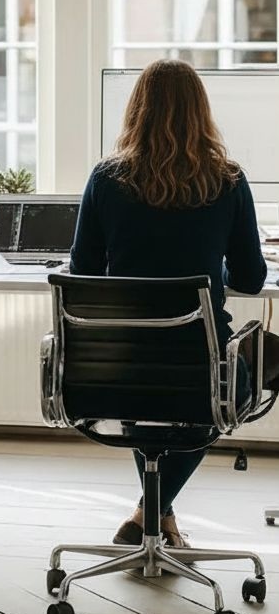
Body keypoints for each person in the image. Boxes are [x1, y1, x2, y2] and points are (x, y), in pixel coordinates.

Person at [70, 58, 266, 549]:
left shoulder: (106, 179)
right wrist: (214, 271)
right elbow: (251, 278)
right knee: (242, 379)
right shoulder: (228, 180)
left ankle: (152, 516)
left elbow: (83, 273)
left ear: (136, 110)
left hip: (116, 363)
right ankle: (154, 514)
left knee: (148, 395)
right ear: (202, 112)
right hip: (204, 365)